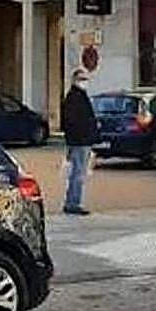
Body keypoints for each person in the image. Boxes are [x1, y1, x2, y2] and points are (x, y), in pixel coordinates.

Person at [61, 68, 98, 216]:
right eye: (82, 79)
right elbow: (73, 121)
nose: (85, 82)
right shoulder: (74, 97)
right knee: (78, 173)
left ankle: (72, 202)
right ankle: (73, 203)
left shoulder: (79, 96)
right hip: (79, 141)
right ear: (75, 80)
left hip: (81, 140)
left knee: (78, 172)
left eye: (86, 79)